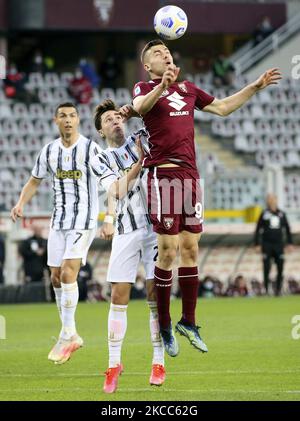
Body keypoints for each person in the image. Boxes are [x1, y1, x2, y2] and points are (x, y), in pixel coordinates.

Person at [132, 39, 281, 357]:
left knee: (191, 249)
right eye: (158, 54)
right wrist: (162, 86)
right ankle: (164, 322)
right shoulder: (143, 87)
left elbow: (223, 108)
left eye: (168, 52)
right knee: (168, 252)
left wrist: (254, 86)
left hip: (191, 178)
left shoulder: (189, 89)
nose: (166, 56)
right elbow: (141, 108)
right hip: (164, 176)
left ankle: (189, 320)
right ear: (148, 66)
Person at [11, 102, 102, 364]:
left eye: (72, 115)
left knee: (67, 272)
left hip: (83, 220)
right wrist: (20, 203)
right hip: (58, 221)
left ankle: (69, 333)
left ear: (78, 120)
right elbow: (34, 181)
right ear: (55, 120)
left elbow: (108, 179)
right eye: (63, 116)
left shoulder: (89, 149)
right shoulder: (49, 151)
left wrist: (109, 216)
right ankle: (68, 333)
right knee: (54, 277)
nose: (68, 120)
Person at [90, 99, 165, 393]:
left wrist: (136, 107)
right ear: (100, 131)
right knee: (118, 295)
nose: (114, 122)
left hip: (155, 228)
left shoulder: (143, 137)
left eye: (116, 118)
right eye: (107, 120)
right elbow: (117, 190)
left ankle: (158, 361)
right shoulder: (100, 159)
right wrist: (137, 164)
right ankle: (113, 363)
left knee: (154, 295)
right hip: (125, 230)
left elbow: (159, 113)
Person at [254, 194, 293, 296]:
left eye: (273, 199)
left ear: (276, 200)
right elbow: (258, 230)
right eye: (269, 199)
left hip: (279, 245)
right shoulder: (264, 214)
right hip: (267, 244)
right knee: (266, 267)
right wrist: (257, 244)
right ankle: (266, 289)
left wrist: (290, 243)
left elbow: (288, 229)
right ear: (267, 201)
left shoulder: (281, 214)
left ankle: (278, 289)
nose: (271, 201)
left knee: (280, 267)